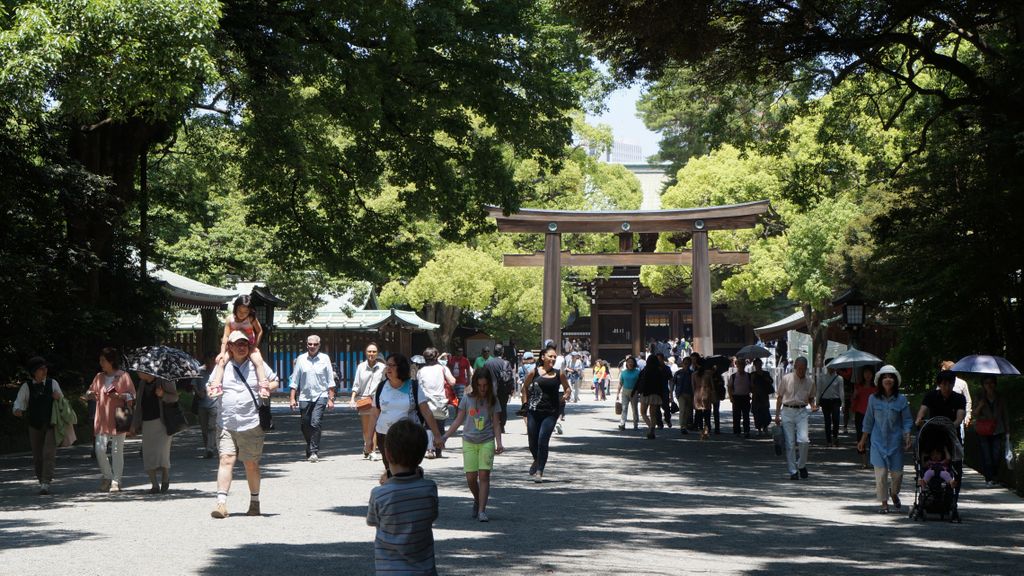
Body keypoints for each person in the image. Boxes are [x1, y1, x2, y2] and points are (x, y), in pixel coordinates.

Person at [209, 330, 279, 518]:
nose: (241, 347)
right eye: (237, 344)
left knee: (251, 464)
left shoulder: (258, 364)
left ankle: (254, 502)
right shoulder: (223, 365)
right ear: (230, 347)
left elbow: (275, 382)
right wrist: (212, 391)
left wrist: (265, 388)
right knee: (226, 460)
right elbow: (211, 386)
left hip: (251, 422)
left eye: (244, 344)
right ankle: (221, 504)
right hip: (226, 422)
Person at [367, 419, 438, 575]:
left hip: (390, 571)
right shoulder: (429, 489)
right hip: (424, 570)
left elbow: (372, 521)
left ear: (388, 454)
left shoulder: (380, 494)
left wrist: (387, 484)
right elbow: (432, 516)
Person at [365, 354, 444, 483]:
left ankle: (411, 492)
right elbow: (374, 414)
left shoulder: (413, 386)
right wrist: (368, 440)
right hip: (385, 436)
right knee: (390, 469)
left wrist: (437, 435)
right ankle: (393, 495)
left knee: (408, 467)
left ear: (401, 367)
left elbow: (426, 412)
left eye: (392, 365)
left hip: (408, 437)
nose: (388, 368)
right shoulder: (381, 387)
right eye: (387, 365)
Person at [442, 369, 504, 521]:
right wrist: (445, 437)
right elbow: (458, 420)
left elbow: (496, 423)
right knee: (470, 478)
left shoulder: (493, 400)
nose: (483, 388)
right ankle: (477, 498)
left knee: (484, 475)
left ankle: (482, 510)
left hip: (486, 440)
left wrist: (499, 442)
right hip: (469, 440)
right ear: (475, 385)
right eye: (480, 385)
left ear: (489, 385)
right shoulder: (467, 399)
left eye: (485, 385)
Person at [856, 365, 913, 514]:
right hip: (877, 442)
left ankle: (894, 493)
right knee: (880, 475)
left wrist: (907, 436)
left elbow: (907, 420)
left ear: (895, 380)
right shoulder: (873, 399)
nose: (888, 379)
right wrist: (863, 440)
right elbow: (868, 421)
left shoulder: (901, 400)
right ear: (880, 380)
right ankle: (884, 504)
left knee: (897, 475)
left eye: (891, 377)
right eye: (885, 377)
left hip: (895, 442)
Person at [12, 356, 64, 495]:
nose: (45, 370)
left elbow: (63, 402)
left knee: (48, 453)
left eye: (45, 368)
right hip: (34, 425)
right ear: (34, 371)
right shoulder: (26, 386)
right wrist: (17, 410)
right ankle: (41, 480)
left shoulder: (53, 383)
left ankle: (46, 482)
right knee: (37, 456)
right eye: (41, 369)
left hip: (51, 423)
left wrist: (59, 398)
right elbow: (19, 402)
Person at [86, 348, 135, 492]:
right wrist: (89, 394)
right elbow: (90, 391)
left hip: (119, 417)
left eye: (103, 360)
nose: (100, 363)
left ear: (111, 361)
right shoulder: (99, 377)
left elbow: (132, 395)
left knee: (117, 450)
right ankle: (107, 476)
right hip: (102, 417)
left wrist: (119, 396)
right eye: (100, 360)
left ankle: (116, 480)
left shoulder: (123, 376)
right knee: (99, 449)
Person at [521, 344, 571, 482]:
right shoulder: (534, 372)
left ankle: (539, 471)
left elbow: (568, 388)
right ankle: (537, 459)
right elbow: (524, 387)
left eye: (555, 357)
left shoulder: (558, 373)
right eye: (550, 356)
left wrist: (566, 395)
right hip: (533, 411)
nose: (553, 359)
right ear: (543, 357)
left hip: (551, 412)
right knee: (532, 442)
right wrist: (525, 404)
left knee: (543, 440)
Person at [208, 295, 271, 396]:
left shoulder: (251, 319)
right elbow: (226, 336)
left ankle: (263, 386)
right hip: (233, 346)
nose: (242, 314)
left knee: (258, 360)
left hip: (248, 346)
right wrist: (222, 352)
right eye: (240, 311)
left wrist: (255, 346)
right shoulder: (230, 319)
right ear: (235, 308)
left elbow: (259, 331)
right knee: (221, 361)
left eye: (245, 312)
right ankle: (216, 386)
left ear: (250, 311)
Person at [289, 334, 336, 462]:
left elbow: (330, 380)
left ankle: (314, 451)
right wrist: (292, 398)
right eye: (310, 344)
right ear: (307, 345)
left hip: (321, 395)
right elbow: (295, 380)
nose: (312, 346)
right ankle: (310, 445)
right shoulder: (301, 359)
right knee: (305, 424)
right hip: (304, 396)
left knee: (315, 422)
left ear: (319, 345)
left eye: (315, 344)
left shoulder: (325, 358)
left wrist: (331, 399)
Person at [131, 371, 179, 494]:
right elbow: (138, 405)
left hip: (163, 422)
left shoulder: (164, 379)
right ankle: (154, 485)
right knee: (148, 454)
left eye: (140, 370)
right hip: (147, 422)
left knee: (162, 453)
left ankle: (165, 476)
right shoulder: (142, 383)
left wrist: (163, 394)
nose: (137, 372)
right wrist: (134, 425)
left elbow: (175, 397)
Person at [775, 357, 818, 480]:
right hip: (787, 410)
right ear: (795, 367)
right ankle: (793, 471)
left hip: (801, 412)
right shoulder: (786, 379)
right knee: (790, 443)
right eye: (799, 368)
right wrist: (777, 415)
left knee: (804, 440)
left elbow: (811, 397)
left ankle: (801, 464)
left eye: (803, 369)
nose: (801, 371)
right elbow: (779, 397)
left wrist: (813, 406)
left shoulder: (810, 382)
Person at [972, 375, 1010, 486]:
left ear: (995, 384)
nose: (989, 385)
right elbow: (974, 413)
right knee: (986, 455)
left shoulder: (1000, 397)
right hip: (983, 430)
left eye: (992, 382)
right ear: (983, 385)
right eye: (986, 383)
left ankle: (995, 477)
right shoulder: (979, 396)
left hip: (997, 429)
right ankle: (989, 478)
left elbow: (1005, 414)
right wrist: (981, 405)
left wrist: (1008, 430)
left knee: (996, 455)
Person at [417, 347, 455, 459]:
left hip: (426, 401)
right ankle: (439, 449)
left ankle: (430, 449)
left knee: (428, 425)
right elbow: (452, 381)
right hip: (440, 400)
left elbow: (419, 386)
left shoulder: (421, 371)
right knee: (440, 425)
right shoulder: (442, 368)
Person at [351, 342, 386, 460]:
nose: (371, 354)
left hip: (377, 400)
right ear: (366, 353)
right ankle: (367, 445)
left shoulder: (382, 368)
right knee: (366, 428)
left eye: (374, 351)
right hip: (364, 399)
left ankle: (372, 451)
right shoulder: (361, 367)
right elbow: (356, 384)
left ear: (377, 353)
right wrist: (352, 399)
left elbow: (386, 383)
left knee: (374, 427)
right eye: (369, 351)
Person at [916, 371, 967, 435]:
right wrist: (919, 420)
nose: (947, 387)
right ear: (939, 384)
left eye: (950, 384)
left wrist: (947, 429)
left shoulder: (960, 398)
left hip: (953, 434)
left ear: (954, 384)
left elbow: (959, 419)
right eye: (944, 384)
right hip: (933, 433)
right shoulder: (930, 396)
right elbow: (922, 411)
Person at [850, 365, 877, 469]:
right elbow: (853, 402)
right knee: (860, 437)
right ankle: (864, 461)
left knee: (873, 438)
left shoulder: (876, 387)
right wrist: (855, 395)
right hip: (860, 414)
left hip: (873, 415)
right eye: (865, 373)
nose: (868, 375)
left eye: (869, 373)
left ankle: (874, 460)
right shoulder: (858, 386)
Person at [193, 352, 219, 458]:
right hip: (202, 404)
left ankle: (210, 449)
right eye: (209, 361)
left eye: (213, 361)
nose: (211, 364)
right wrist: (199, 392)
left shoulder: (218, 371)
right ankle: (208, 447)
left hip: (214, 403)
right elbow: (193, 384)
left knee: (212, 427)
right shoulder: (199, 371)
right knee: (204, 429)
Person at [484, 343, 515, 429]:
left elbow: (484, 377)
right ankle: (501, 425)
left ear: (493, 352)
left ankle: (492, 424)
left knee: (490, 407)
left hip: (490, 389)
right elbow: (510, 378)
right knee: (503, 407)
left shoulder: (487, 363)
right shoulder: (506, 363)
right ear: (502, 352)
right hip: (503, 390)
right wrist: (511, 389)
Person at [636, 354, 667, 439]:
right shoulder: (659, 370)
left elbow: (641, 382)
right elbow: (662, 383)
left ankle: (650, 427)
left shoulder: (645, 370)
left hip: (646, 393)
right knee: (653, 414)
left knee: (643, 412)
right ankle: (652, 428)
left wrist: (638, 391)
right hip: (656, 394)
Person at [940, 359, 973, 433]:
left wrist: (968, 416)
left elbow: (968, 400)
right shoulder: (940, 384)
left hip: (958, 419)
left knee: (958, 441)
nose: (941, 372)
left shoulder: (962, 383)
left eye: (943, 370)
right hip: (943, 419)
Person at [818, 362, 845, 447]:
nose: (831, 368)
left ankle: (835, 437)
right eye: (830, 366)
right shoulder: (821, 377)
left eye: (833, 366)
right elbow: (818, 390)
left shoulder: (839, 378)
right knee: (827, 421)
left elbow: (841, 391)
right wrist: (817, 402)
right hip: (825, 401)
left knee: (836, 419)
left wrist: (843, 404)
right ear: (827, 366)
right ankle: (828, 440)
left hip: (836, 401)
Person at [728, 358, 752, 438]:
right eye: (739, 365)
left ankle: (746, 431)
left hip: (746, 397)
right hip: (736, 397)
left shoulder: (749, 375)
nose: (741, 366)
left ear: (744, 366)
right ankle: (737, 431)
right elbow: (730, 387)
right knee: (736, 416)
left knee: (746, 416)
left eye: (742, 364)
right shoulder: (733, 376)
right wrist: (731, 397)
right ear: (737, 366)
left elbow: (752, 387)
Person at [750, 358, 774, 436]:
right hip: (756, 396)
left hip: (764, 396)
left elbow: (771, 381)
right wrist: (752, 381)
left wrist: (766, 379)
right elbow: (750, 387)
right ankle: (759, 429)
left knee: (765, 413)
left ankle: (765, 427)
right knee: (757, 413)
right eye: (757, 364)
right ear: (754, 365)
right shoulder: (752, 374)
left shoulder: (766, 373)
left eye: (760, 364)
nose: (758, 366)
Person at [616, 356, 641, 431]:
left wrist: (639, 392)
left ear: (634, 363)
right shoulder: (623, 372)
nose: (630, 363)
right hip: (625, 391)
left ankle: (635, 424)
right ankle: (622, 424)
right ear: (626, 363)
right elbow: (620, 383)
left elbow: (640, 383)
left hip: (634, 392)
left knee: (634, 409)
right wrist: (618, 393)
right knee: (624, 408)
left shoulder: (637, 372)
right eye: (628, 362)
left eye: (631, 362)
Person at [692, 360, 714, 440]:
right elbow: (712, 386)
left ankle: (701, 429)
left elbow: (693, 386)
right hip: (706, 393)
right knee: (707, 414)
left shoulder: (694, 374)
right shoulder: (708, 374)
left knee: (699, 413)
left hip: (697, 393)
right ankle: (707, 429)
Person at [671, 356, 693, 435]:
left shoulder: (692, 373)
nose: (686, 365)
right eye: (684, 363)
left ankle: (685, 424)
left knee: (688, 411)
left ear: (690, 364)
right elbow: (673, 383)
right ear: (682, 363)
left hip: (690, 394)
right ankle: (682, 426)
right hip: (680, 394)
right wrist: (671, 394)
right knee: (682, 410)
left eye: (687, 363)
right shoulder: (678, 373)